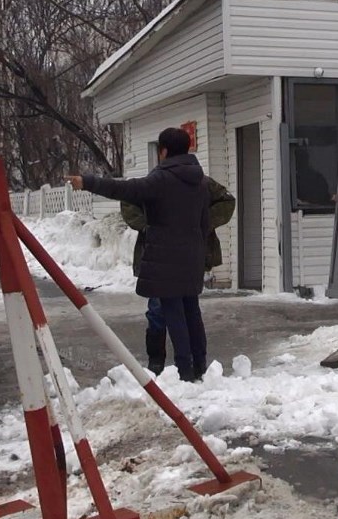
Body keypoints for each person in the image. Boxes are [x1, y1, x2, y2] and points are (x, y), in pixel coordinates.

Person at [68, 127, 210, 382]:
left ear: (164, 151)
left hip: (166, 258)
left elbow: (123, 189)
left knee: (173, 312)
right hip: (192, 255)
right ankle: (200, 366)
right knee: (191, 311)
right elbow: (204, 222)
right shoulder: (200, 181)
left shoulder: (162, 179)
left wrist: (87, 182)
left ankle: (185, 372)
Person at [121, 177, 235, 375]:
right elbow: (128, 200)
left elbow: (227, 201)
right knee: (158, 309)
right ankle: (157, 361)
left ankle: (194, 362)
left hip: (191, 255)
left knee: (189, 309)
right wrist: (146, 226)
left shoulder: (201, 183)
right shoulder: (155, 182)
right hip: (158, 255)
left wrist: (203, 222)